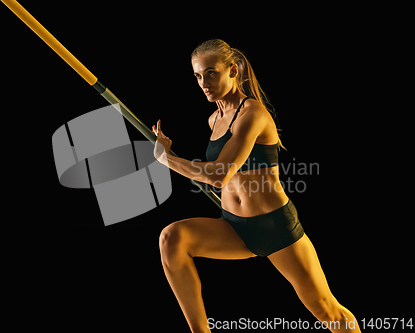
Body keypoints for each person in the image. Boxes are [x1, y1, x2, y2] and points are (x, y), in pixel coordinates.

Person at [152, 39, 360, 333]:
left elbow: (219, 175)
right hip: (235, 227)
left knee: (328, 311)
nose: (204, 83)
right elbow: (228, 178)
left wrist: (167, 159)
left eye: (211, 73)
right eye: (198, 75)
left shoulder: (253, 114)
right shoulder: (214, 119)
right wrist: (174, 158)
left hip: (275, 228)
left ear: (233, 70)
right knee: (171, 238)